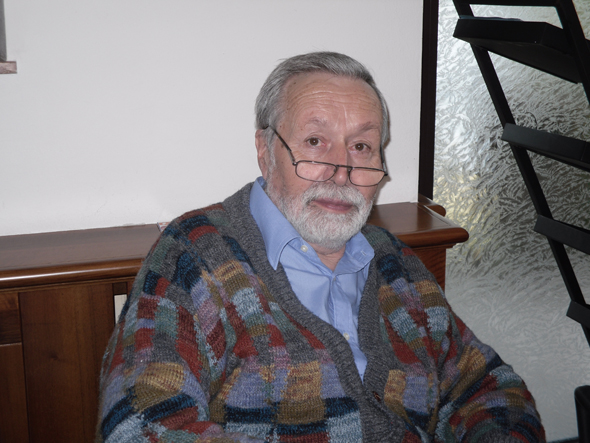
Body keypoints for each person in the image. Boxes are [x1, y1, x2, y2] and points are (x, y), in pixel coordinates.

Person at [95, 52, 545, 442]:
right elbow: (140, 424)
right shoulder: (193, 255)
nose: (341, 170)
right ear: (265, 149)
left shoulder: (396, 264)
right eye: (315, 142)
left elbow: (488, 388)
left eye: (362, 146)